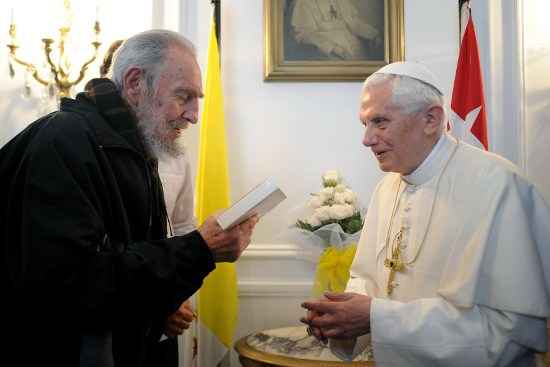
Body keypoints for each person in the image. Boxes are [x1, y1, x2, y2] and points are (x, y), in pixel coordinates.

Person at [0, 29, 258, 367]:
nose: (194, 115)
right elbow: (75, 286)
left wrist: (162, 305)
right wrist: (200, 248)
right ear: (135, 83)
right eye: (184, 96)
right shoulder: (64, 140)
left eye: (198, 100)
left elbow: (126, 264)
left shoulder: (129, 147)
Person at [301, 61, 550, 366]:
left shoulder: (499, 186)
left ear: (431, 119)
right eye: (364, 124)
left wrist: (376, 318)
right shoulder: (387, 188)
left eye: (380, 122)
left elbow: (510, 332)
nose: (366, 139)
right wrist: (340, 318)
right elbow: (366, 278)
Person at [290, 0, 383, 60]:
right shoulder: (303, 3)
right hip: (326, 53)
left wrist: (373, 34)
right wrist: (334, 49)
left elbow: (354, 24)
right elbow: (305, 34)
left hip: (354, 48)